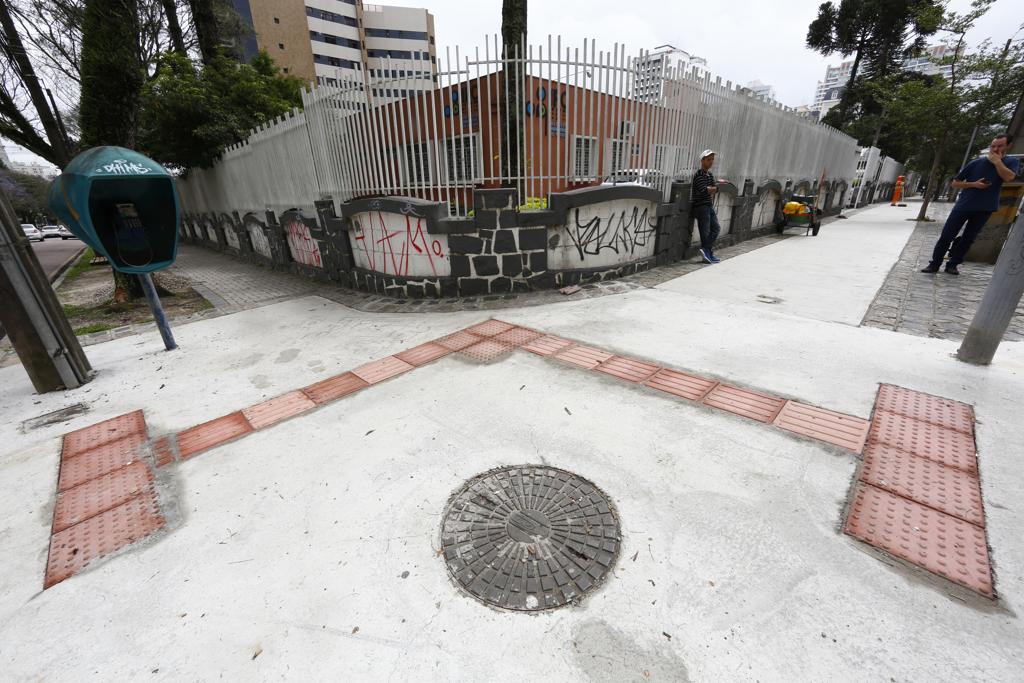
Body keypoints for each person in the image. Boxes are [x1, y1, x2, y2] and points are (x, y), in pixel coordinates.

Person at [921, 133, 1020, 275]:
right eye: (993, 146)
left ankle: (953, 264)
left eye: (1000, 146)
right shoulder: (976, 163)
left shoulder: (1011, 162)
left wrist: (997, 162)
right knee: (947, 235)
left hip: (986, 207)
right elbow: (955, 182)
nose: (995, 149)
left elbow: (1009, 177)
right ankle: (935, 264)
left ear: (1008, 146)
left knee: (968, 239)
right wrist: (973, 184)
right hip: (964, 205)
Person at [692, 149, 721, 264]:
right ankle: (707, 254)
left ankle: (706, 251)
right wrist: (714, 189)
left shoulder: (709, 175)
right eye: (709, 159)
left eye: (712, 159)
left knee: (716, 228)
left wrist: (713, 189)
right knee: (705, 233)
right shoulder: (698, 175)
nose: (711, 162)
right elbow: (705, 190)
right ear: (702, 160)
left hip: (709, 205)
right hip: (701, 207)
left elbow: (713, 189)